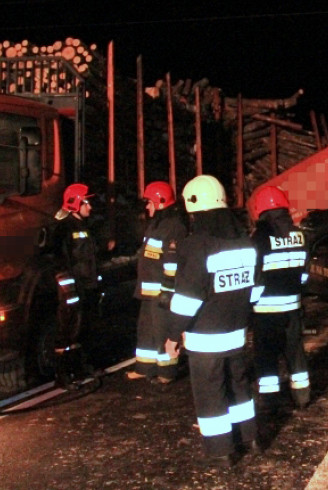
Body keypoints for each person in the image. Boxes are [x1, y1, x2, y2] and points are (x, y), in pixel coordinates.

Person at [165, 175, 261, 466]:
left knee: (211, 395)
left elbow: (187, 299)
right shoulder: (246, 242)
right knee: (239, 389)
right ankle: (251, 438)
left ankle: (221, 452)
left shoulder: (197, 245)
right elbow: (256, 290)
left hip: (206, 338)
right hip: (236, 333)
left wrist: (172, 334)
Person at [250, 185, 311, 410]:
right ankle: (302, 396)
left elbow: (256, 279)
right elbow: (305, 275)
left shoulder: (259, 238)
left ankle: (270, 401)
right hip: (293, 307)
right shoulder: (300, 236)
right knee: (295, 353)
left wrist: (251, 306)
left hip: (265, 312)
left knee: (267, 358)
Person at [127, 181, 187, 384]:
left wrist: (167, 291)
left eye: (149, 202)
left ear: (160, 202)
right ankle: (144, 367)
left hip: (161, 290)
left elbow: (172, 263)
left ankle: (167, 372)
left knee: (162, 331)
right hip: (147, 290)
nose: (147, 206)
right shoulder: (157, 224)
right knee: (145, 331)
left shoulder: (174, 226)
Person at [51, 182, 100, 387]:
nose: (90, 207)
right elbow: (59, 261)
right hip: (70, 290)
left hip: (84, 286)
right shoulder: (64, 228)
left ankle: (77, 369)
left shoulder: (83, 227)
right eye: (86, 202)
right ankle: (61, 375)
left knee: (80, 329)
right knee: (66, 331)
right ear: (75, 204)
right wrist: (69, 291)